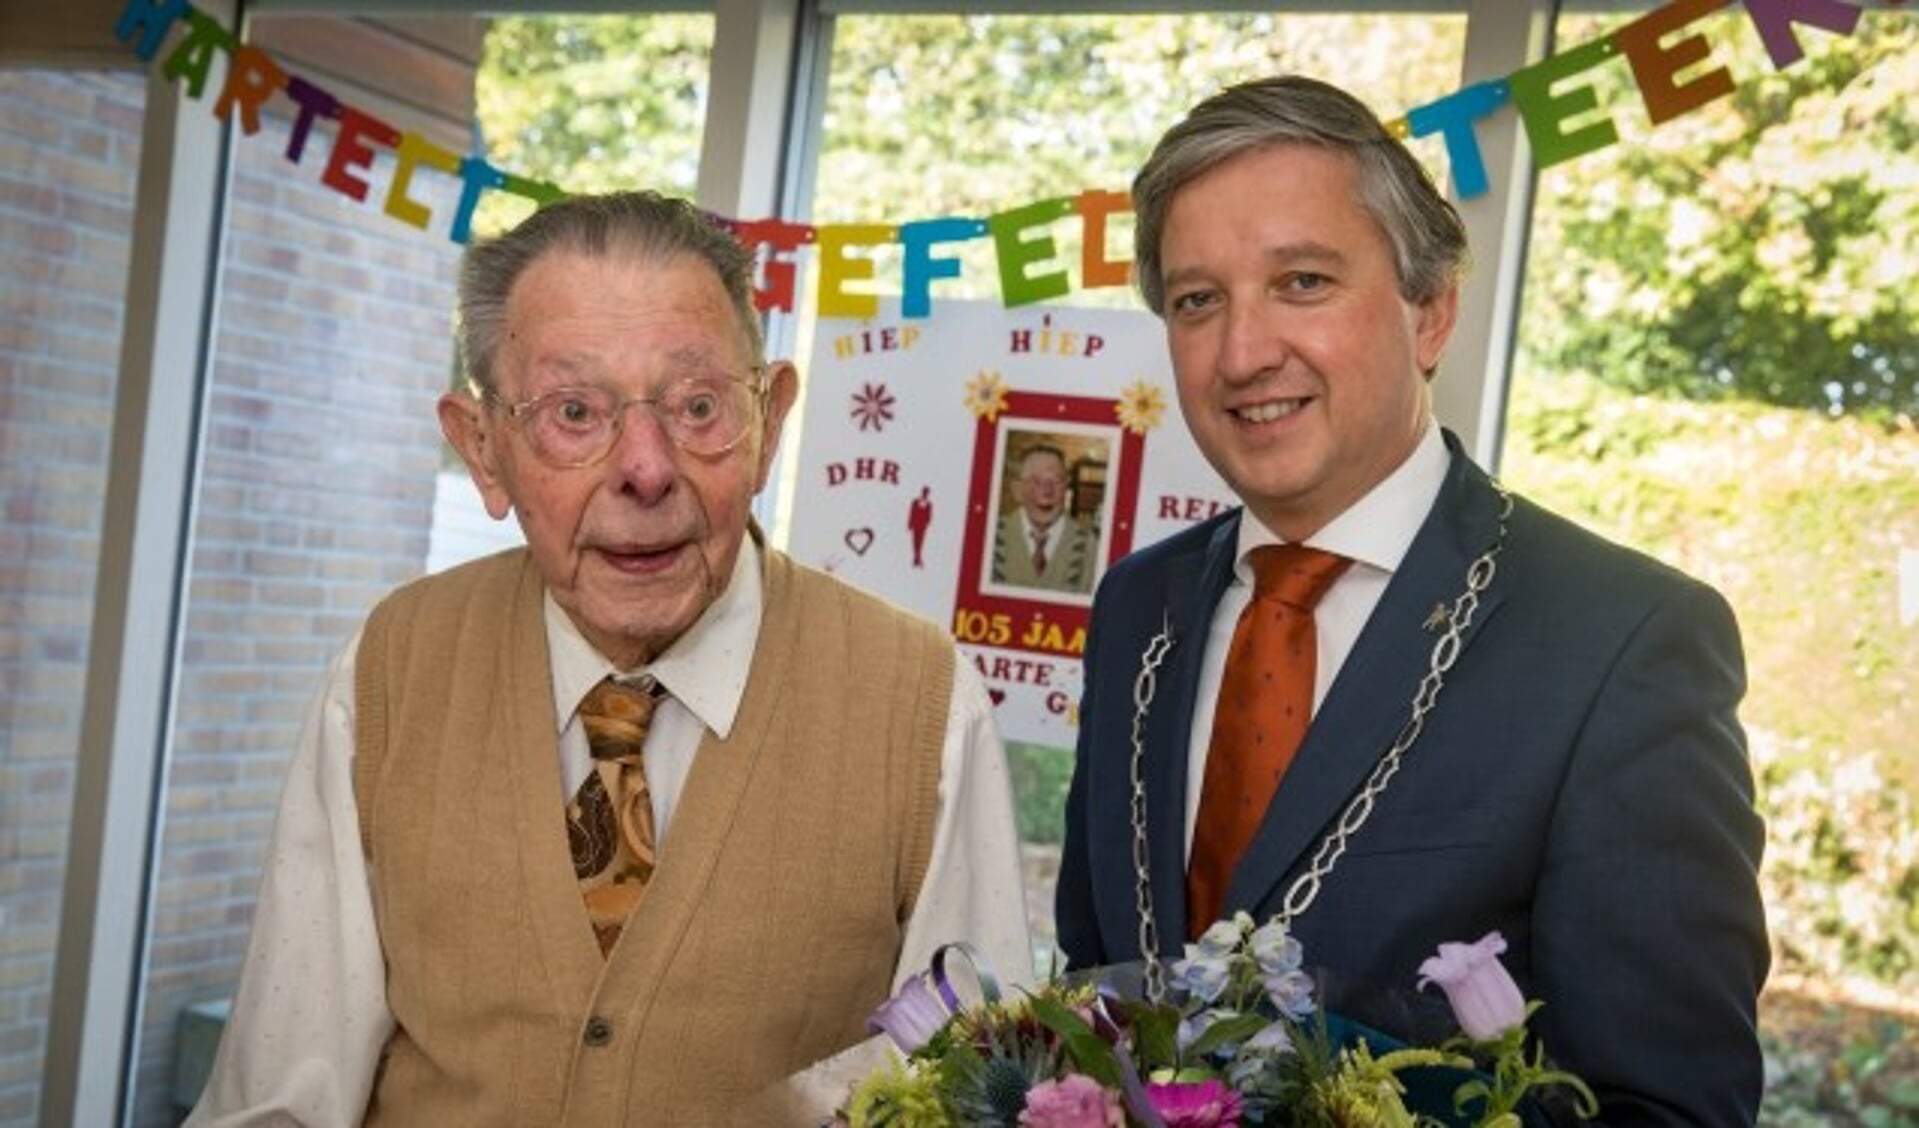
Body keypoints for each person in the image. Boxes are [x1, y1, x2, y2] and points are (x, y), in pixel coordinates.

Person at [188, 191, 1031, 1126]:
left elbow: (973, 1098)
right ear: (484, 451)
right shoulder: (389, 672)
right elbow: (281, 1093)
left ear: (770, 424)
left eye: (698, 405)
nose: (645, 468)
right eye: (574, 411)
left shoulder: (919, 706)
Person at [1055, 76, 1768, 1125]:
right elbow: (1092, 981)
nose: (1243, 352)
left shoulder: (1620, 643)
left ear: (1429, 311)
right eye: (1196, 299)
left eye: (1300, 281)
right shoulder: (1135, 607)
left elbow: (1670, 1108)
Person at [991, 443, 1096, 593]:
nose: (1046, 492)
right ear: (1017, 489)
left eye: (1055, 481)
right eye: (1035, 481)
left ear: (1066, 488)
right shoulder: (989, 538)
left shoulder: (1090, 547)